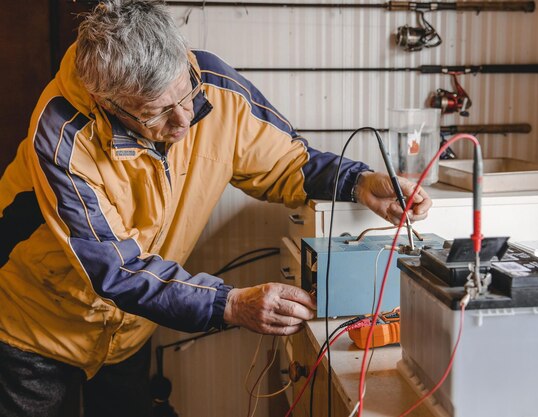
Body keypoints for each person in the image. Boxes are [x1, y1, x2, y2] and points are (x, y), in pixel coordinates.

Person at [0, 1, 432, 416]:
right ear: (108, 103)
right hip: (34, 329)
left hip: (129, 328)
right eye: (157, 114)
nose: (184, 120)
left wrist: (358, 183)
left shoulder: (210, 80)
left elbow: (287, 161)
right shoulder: (62, 134)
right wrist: (231, 302)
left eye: (185, 95)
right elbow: (116, 270)